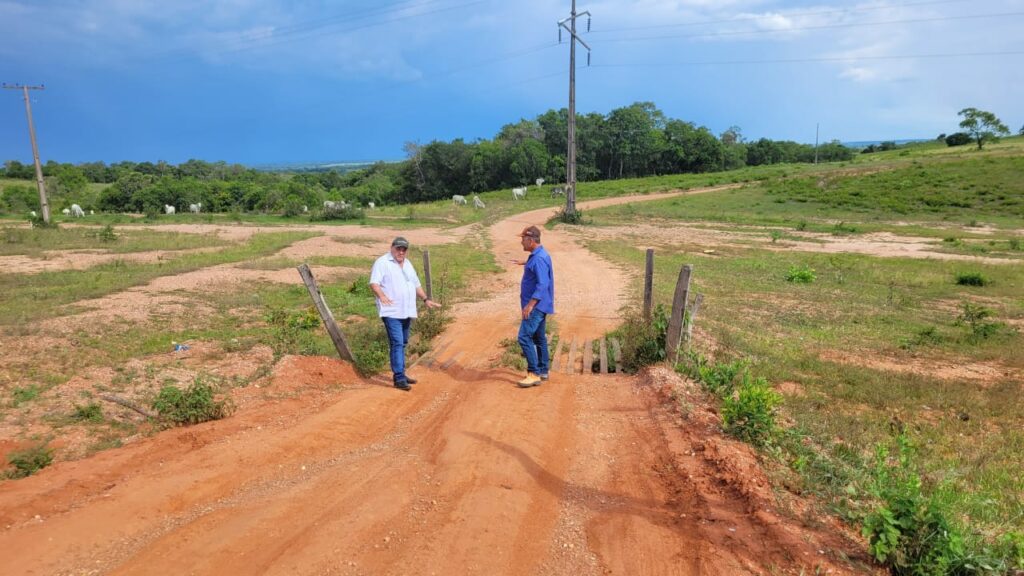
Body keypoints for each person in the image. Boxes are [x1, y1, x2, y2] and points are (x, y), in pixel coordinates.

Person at [369, 237, 441, 391]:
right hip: (392, 311)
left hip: (407, 310)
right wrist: (381, 296)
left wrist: (425, 299)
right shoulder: (382, 263)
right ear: (392, 248)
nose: (401, 251)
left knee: (403, 342)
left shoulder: (408, 264)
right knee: (397, 342)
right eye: (398, 248)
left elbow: (416, 285)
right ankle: (399, 378)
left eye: (404, 249)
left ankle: (401, 372)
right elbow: (374, 283)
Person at [514, 225, 554, 388]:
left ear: (530, 240)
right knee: (539, 338)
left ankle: (534, 373)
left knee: (524, 337)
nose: (521, 243)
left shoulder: (537, 259)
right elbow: (537, 267)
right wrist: (525, 263)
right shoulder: (538, 255)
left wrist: (530, 305)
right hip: (543, 304)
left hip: (536, 306)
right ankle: (543, 370)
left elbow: (542, 284)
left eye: (523, 239)